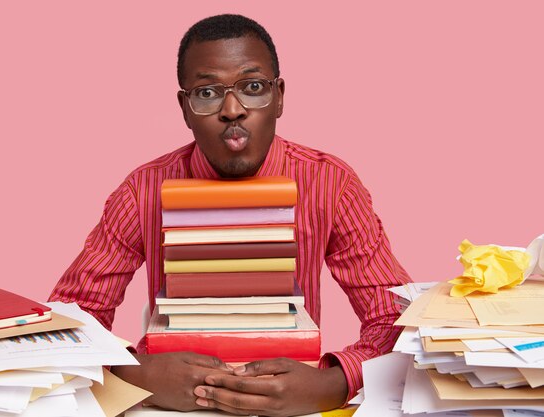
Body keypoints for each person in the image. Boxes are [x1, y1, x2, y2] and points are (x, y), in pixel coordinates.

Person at [49, 14, 411, 416]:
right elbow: (71, 317)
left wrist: (335, 382)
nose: (232, 110)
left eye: (253, 87)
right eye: (206, 93)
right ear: (185, 109)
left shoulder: (331, 184)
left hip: (296, 406)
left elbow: (394, 316)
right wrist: (133, 374)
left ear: (279, 97)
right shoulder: (143, 190)